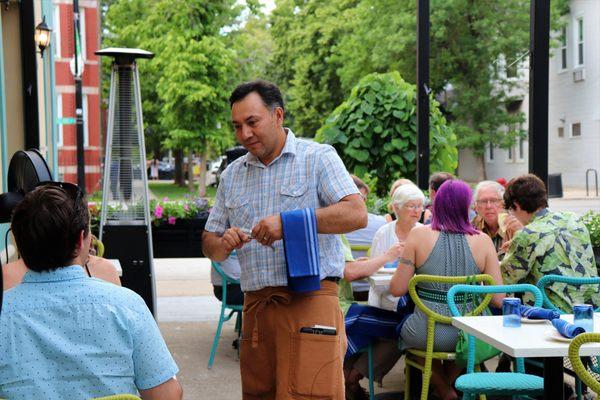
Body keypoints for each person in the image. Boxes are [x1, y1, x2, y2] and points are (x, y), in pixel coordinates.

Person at [202, 79, 367, 399]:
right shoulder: (232, 175)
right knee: (259, 393)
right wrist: (222, 243)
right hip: (258, 309)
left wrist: (289, 224)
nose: (244, 134)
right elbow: (210, 240)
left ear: (278, 115)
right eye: (237, 126)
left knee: (312, 393)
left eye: (252, 122)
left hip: (312, 301)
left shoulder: (318, 157)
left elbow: (356, 214)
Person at [0, 183, 182, 399]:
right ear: (80, 239)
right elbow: (166, 395)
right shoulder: (127, 306)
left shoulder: (4, 313)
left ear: (18, 242)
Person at [390, 180, 504, 400]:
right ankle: (447, 387)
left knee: (406, 330)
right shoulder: (483, 241)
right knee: (469, 344)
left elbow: (397, 289)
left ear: (436, 205)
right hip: (469, 333)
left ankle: (443, 389)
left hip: (426, 332)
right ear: (467, 207)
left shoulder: (418, 235)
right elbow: (498, 299)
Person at [501, 174, 599, 312]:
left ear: (516, 205)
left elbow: (504, 280)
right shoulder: (572, 218)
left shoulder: (527, 235)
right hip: (591, 310)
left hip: (553, 314)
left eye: (511, 209)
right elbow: (549, 236)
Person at [345, 175, 387, 258]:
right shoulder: (381, 224)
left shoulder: (326, 226)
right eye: (361, 198)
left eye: (363, 199)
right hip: (371, 269)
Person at [471, 180, 507, 253]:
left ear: (503, 203)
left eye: (493, 201)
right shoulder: (470, 229)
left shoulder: (514, 228)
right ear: (476, 206)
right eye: (483, 201)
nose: (488, 206)